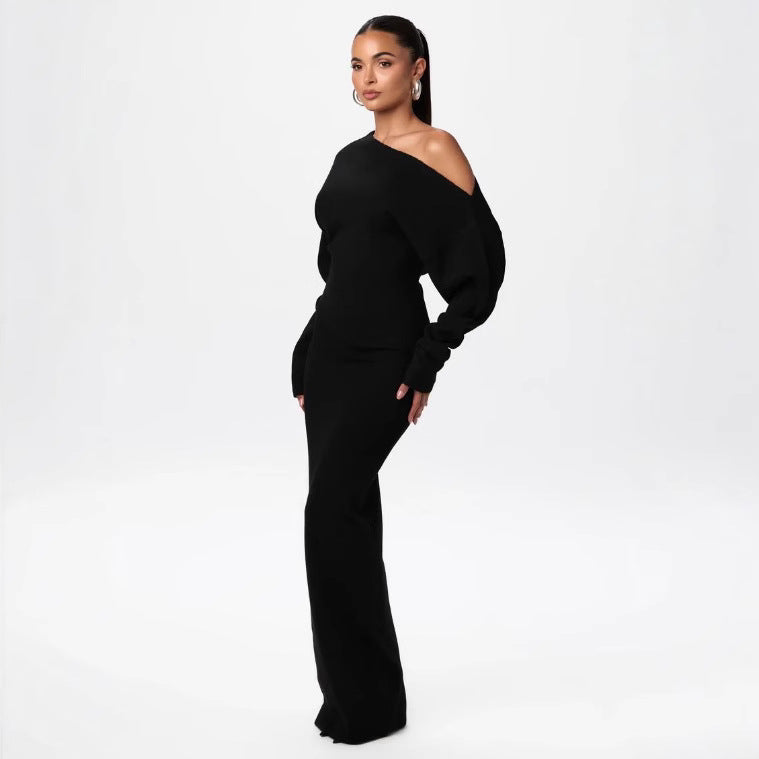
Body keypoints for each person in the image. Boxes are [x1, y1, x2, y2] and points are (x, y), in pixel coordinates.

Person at [291, 15, 506, 745]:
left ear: (417, 69)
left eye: (383, 62)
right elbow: (341, 268)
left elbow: (479, 274)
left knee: (329, 519)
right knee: (345, 518)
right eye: (356, 65)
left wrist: (427, 359)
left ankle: (365, 704)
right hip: (329, 357)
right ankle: (362, 700)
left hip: (385, 361)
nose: (367, 78)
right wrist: (306, 344)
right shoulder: (348, 157)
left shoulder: (436, 149)